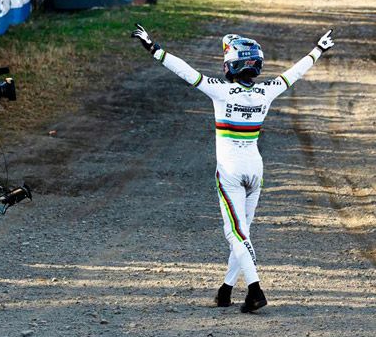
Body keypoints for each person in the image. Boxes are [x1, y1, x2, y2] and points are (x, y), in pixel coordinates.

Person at [131, 23, 334, 313]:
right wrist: (318, 50)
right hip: (256, 167)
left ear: (231, 66)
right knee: (244, 232)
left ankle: (255, 289)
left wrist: (154, 49)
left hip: (230, 170)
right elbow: (294, 74)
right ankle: (225, 290)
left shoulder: (220, 91)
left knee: (235, 234)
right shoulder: (268, 90)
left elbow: (186, 72)